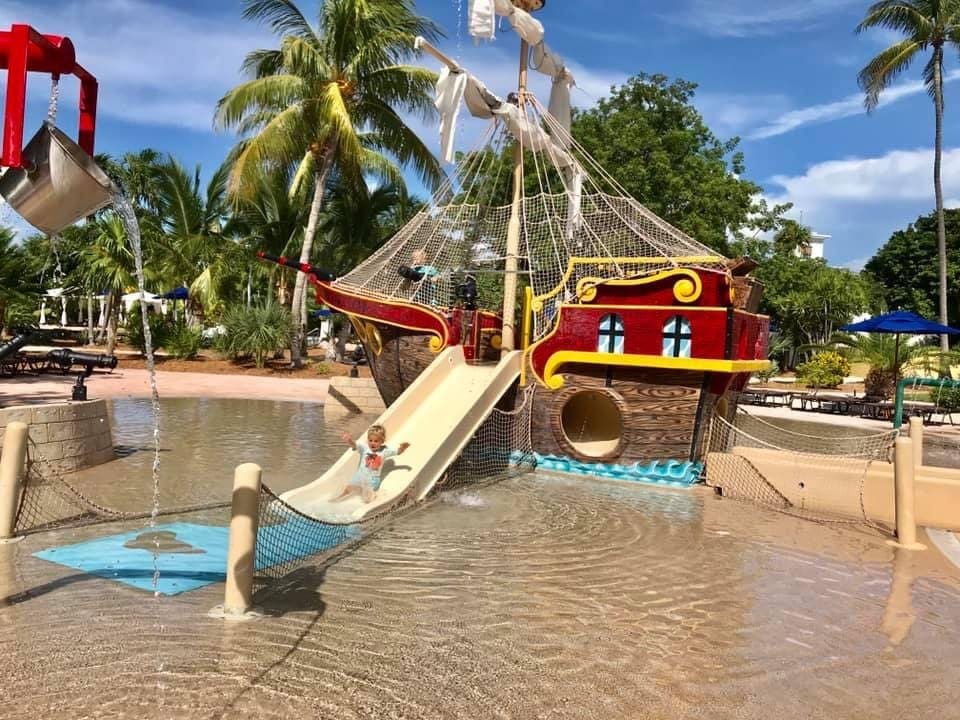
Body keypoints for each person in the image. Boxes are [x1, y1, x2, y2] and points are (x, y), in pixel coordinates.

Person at [336, 424, 410, 503]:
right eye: (370, 440)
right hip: (360, 476)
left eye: (376, 441)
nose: (372, 443)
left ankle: (368, 503)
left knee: (368, 495)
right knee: (348, 489)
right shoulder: (364, 448)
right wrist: (349, 440)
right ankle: (338, 499)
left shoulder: (385, 451)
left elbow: (397, 452)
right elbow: (354, 445)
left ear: (382, 441)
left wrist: (402, 448)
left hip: (373, 480)